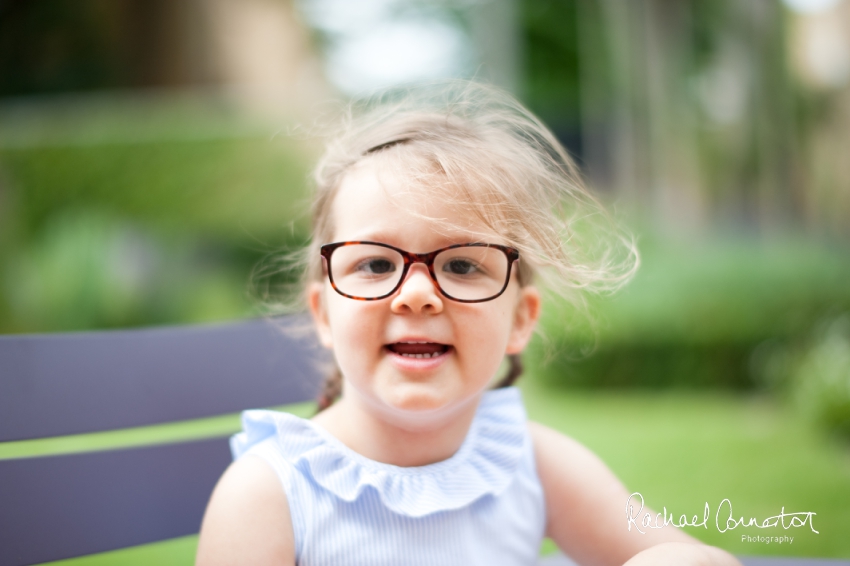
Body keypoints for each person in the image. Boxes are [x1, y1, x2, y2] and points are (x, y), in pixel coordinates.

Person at [196, 81, 741, 566]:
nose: (416, 295)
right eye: (375, 264)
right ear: (324, 314)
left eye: (461, 265)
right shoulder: (271, 493)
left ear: (520, 320)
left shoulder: (534, 464)